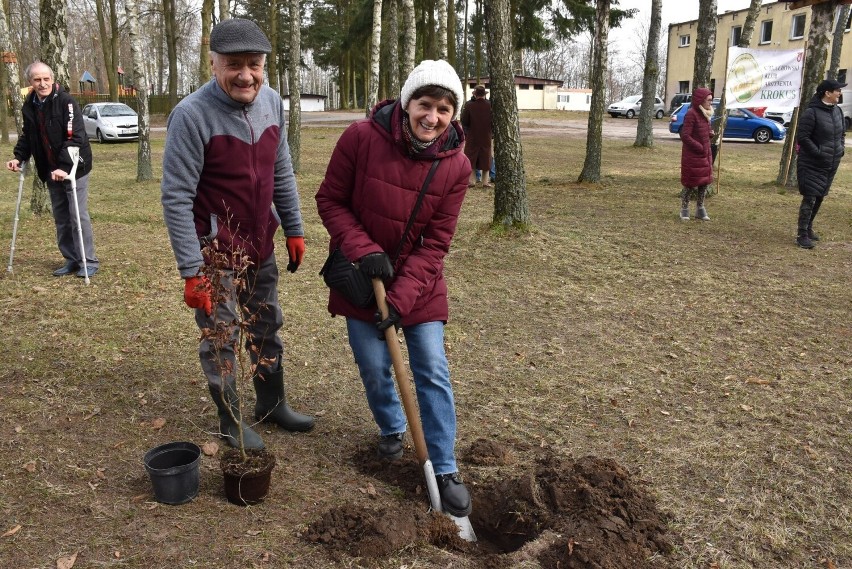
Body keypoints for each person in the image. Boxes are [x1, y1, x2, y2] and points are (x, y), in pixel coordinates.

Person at [315, 60, 473, 517]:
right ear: (407, 104)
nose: (433, 117)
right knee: (373, 364)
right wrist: (365, 251)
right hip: (360, 276)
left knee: (431, 369)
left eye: (444, 109)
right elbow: (331, 199)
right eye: (425, 104)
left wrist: (402, 299)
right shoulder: (361, 138)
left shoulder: (456, 166)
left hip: (418, 285)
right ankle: (391, 428)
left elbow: (437, 242)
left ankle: (443, 467)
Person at [160, 18, 315, 450]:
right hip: (215, 253)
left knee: (267, 324)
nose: (245, 74)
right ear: (213, 64)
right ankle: (230, 420)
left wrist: (294, 228)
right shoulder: (191, 116)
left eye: (254, 64)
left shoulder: (271, 102)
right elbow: (175, 197)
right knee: (221, 336)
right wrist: (193, 271)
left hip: (260, 243)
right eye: (233, 64)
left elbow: (280, 168)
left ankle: (271, 404)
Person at [6, 62, 99, 278]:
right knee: (61, 217)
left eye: (46, 78)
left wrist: (64, 167)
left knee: (77, 215)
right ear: (30, 82)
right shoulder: (29, 105)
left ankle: (89, 261)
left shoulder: (66, 102)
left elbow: (74, 136)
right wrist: (18, 157)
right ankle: (72, 259)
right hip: (49, 169)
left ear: (52, 79)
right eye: (37, 79)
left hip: (75, 167)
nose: (43, 83)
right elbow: (28, 135)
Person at [795, 78, 846, 249]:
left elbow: (841, 134)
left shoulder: (837, 111)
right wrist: (817, 152)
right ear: (828, 93)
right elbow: (802, 137)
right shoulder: (812, 113)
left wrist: (841, 149)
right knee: (810, 197)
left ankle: (809, 228)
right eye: (837, 90)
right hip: (811, 163)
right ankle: (801, 234)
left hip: (830, 163)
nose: (840, 93)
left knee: (820, 196)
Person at [678, 87, 713, 222]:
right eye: (709, 100)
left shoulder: (706, 114)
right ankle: (684, 209)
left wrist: (710, 134)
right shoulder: (691, 114)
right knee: (690, 183)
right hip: (693, 155)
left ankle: (700, 209)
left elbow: (706, 130)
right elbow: (685, 135)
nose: (710, 103)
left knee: (704, 182)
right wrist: (699, 147)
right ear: (701, 100)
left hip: (705, 154)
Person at [461, 84, 493, 187]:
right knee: (486, 157)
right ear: (484, 94)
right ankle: (485, 182)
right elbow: (494, 121)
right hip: (486, 135)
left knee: (471, 157)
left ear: (475, 95)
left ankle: (472, 181)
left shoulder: (469, 105)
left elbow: (464, 120)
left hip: (472, 135)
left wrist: (467, 133)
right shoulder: (490, 105)